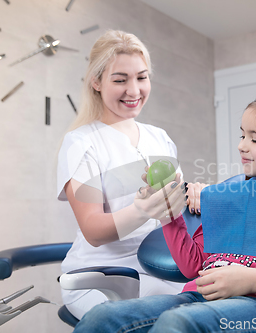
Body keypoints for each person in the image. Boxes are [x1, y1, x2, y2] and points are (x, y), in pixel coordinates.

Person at [72, 92, 256, 333]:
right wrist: (169, 214)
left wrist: (254, 280)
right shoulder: (226, 197)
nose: (241, 146)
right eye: (242, 136)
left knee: (178, 323)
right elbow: (194, 267)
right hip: (198, 298)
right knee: (102, 317)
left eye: (254, 139)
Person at [56, 30, 187, 320]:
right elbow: (93, 230)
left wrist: (193, 199)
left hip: (163, 268)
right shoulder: (81, 143)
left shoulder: (160, 138)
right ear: (96, 82)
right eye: (120, 80)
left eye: (141, 77)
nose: (134, 90)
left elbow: (176, 210)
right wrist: (140, 210)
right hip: (102, 276)